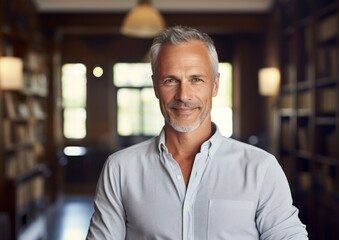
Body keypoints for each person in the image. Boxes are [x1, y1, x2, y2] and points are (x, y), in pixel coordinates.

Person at [86, 25, 308, 239]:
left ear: (215, 85)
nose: (183, 95)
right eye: (171, 80)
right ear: (155, 86)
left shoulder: (261, 168)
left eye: (196, 80)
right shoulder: (120, 169)